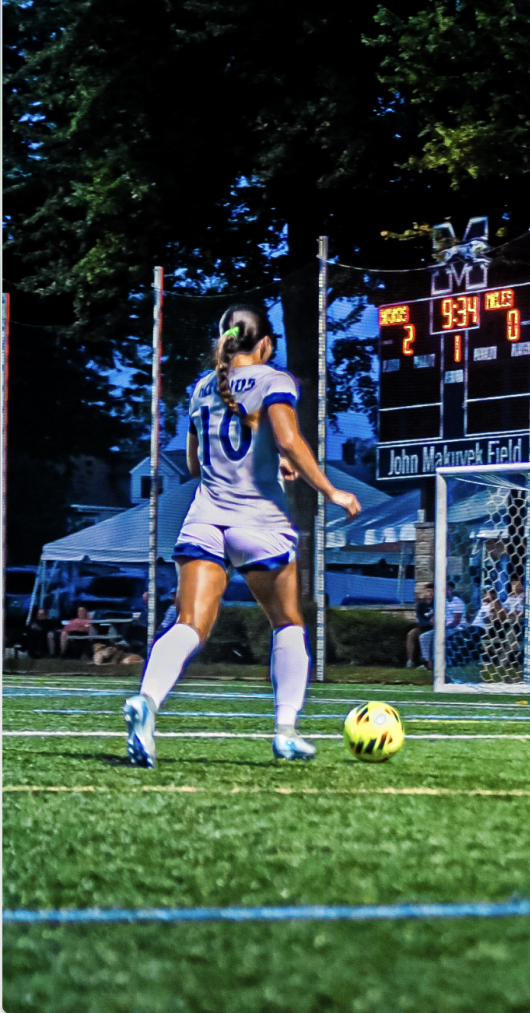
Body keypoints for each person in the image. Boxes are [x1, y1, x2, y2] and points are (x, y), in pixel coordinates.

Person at [123, 303, 361, 767]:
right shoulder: (276, 380)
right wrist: (331, 489)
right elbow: (288, 437)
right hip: (260, 524)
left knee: (188, 624)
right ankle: (286, 730)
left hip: (205, 520)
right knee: (289, 623)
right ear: (266, 343)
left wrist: (268, 460)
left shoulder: (201, 388)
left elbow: (196, 466)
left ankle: (147, 703)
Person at [419, 580, 465, 669]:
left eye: (446, 589)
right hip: (443, 628)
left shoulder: (456, 601)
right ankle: (428, 662)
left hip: (456, 628)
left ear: (450, 589)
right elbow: (435, 617)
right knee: (424, 637)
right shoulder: (440, 602)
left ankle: (442, 662)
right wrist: (433, 620)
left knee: (440, 636)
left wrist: (445, 627)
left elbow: (457, 621)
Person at [406, 583, 434, 668]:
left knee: (427, 637)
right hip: (423, 627)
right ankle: (410, 661)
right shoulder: (420, 605)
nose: (430, 593)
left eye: (432, 591)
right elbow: (420, 619)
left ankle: (427, 661)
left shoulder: (437, 604)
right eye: (428, 591)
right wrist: (428, 622)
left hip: (433, 629)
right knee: (411, 634)